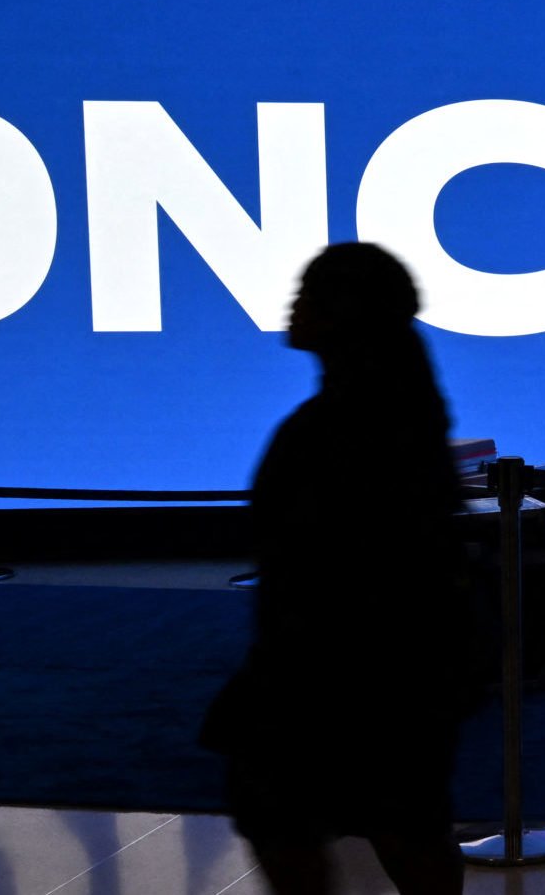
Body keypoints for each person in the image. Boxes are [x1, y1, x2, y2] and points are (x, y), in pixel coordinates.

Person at [200, 243, 474, 895]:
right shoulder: (394, 411)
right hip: (379, 667)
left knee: (310, 820)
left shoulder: (345, 425)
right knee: (399, 825)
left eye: (313, 291)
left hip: (343, 668)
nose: (294, 302)